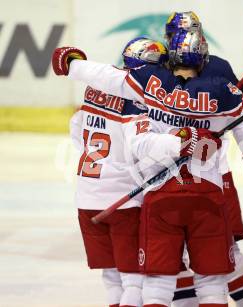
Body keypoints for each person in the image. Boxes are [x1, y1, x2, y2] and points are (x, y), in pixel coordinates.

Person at [52, 28, 243, 306]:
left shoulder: (145, 86)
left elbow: (107, 81)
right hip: (208, 195)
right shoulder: (221, 86)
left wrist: (72, 64)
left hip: (151, 195)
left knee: (154, 281)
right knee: (212, 278)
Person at [163, 11, 243, 307]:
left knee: (224, 253)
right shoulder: (165, 65)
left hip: (209, 175)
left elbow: (237, 117)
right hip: (180, 174)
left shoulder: (216, 67)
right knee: (188, 256)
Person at [69, 36, 168, 307]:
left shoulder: (93, 88)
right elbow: (141, 147)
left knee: (111, 277)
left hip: (87, 196)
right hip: (122, 200)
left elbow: (77, 133)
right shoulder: (136, 98)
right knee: (134, 280)